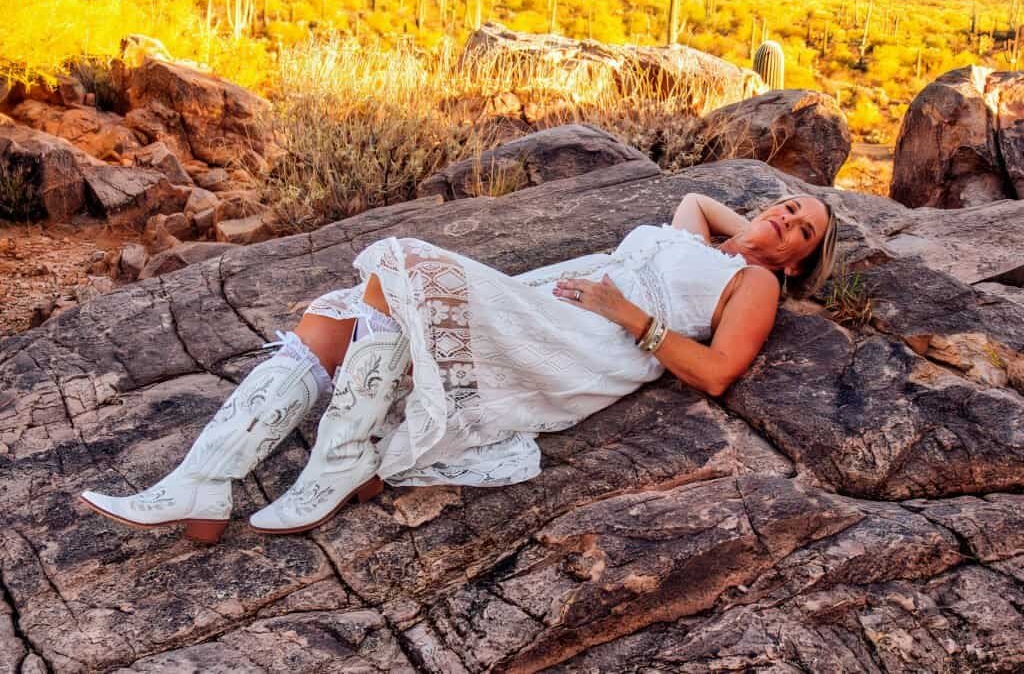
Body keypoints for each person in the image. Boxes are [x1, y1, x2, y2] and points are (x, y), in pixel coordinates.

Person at [79, 192, 838, 543]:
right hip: (554, 299)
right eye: (784, 203)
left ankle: (339, 459)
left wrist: (633, 314)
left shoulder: (760, 284)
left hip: (592, 339)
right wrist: (757, 231)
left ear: (800, 262)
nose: (783, 215)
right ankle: (205, 479)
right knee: (332, 317)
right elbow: (701, 200)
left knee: (403, 262)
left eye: (801, 227)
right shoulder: (710, 242)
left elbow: (714, 371)